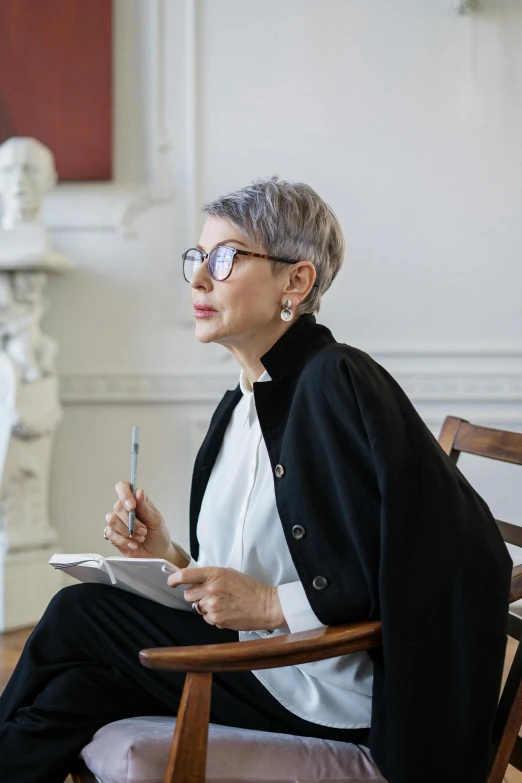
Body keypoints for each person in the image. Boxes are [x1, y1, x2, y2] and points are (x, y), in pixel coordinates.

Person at [0, 176, 512, 783]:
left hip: (323, 688)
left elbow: (448, 555)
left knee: (78, 614)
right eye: (197, 258)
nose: (197, 278)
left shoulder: (336, 378)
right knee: (75, 692)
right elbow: (257, 570)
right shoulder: (241, 405)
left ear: (296, 282)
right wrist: (163, 552)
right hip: (262, 664)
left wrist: (270, 605)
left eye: (225, 258)